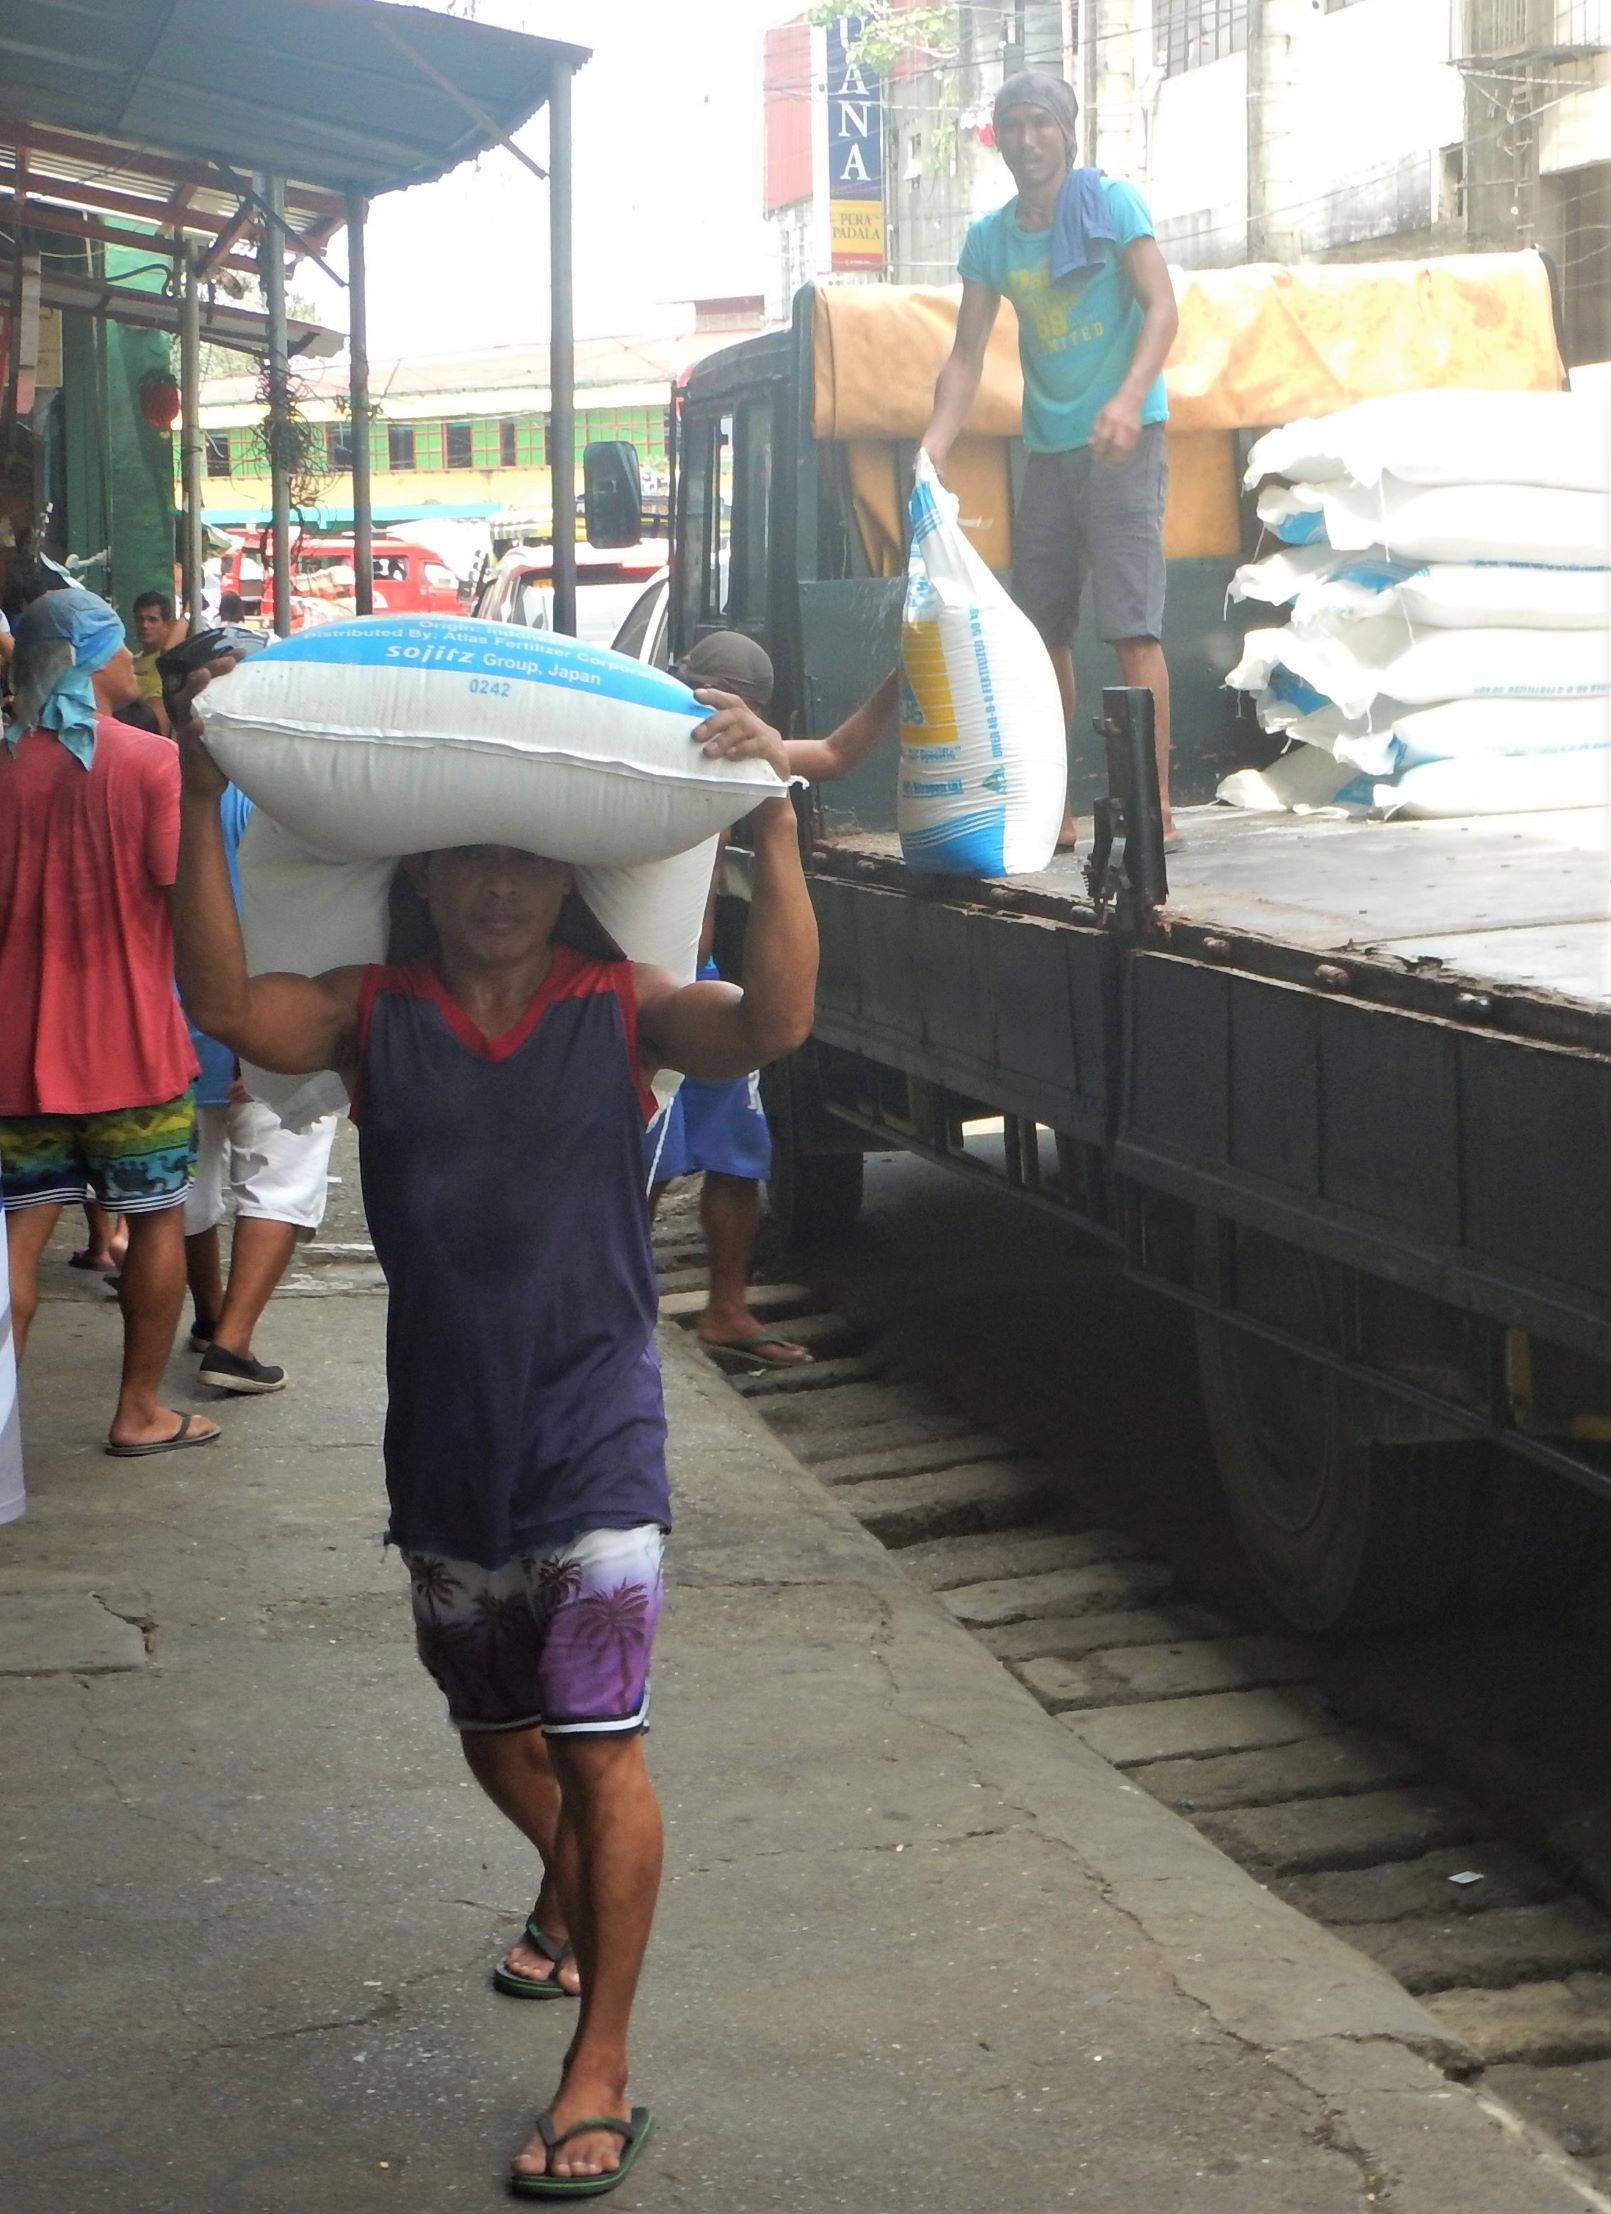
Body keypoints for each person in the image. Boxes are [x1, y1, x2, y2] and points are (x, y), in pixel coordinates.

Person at [170, 653, 816, 2194]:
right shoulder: (364, 1015)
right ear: (426, 873)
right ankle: (571, 1893)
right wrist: (202, 799)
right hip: (444, 1441)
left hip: (597, 1427)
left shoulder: (626, 1010)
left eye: (527, 857)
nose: (499, 885)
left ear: (566, 876)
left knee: (603, 1746)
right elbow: (218, 1003)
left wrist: (773, 824)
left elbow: (775, 1019)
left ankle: (599, 2064)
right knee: (488, 1724)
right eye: (470, 855)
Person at [921, 70, 1180, 844]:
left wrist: (1128, 400)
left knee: (1133, 629)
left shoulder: (1110, 203)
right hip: (1047, 451)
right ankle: (1052, 807)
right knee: (1040, 638)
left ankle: (1154, 805)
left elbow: (1161, 307)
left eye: (1041, 123)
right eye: (1012, 125)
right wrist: (931, 448)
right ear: (995, 138)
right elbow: (965, 356)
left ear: (1066, 133)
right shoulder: (990, 238)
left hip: (1124, 443)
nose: (1027, 139)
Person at [0, 588, 217, 1457]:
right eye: (122, 644)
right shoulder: (151, 762)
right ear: (93, 656)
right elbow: (182, 889)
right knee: (157, 1218)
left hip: (16, 1048)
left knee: (18, 1231)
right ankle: (138, 1411)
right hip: (133, 1045)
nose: (135, 658)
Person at [649, 637, 901, 1368]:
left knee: (736, 1157)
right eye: (701, 692)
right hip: (640, 982)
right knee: (641, 1162)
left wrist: (900, 675)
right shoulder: (653, 740)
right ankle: (620, 1305)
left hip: (701, 977)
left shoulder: (745, 756)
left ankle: (727, 1310)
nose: (710, 711)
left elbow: (834, 752)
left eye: (729, 701)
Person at [181, 784, 339, 1394]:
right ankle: (232, 1340)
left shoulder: (168, 780)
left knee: (191, 1176)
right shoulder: (278, 791)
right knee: (281, 1175)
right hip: (265, 1010)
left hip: (176, 1017)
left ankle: (209, 1313)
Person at [130, 590, 185, 732]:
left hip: (155, 730)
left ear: (168, 625)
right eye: (140, 619)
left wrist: (188, 613)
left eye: (152, 620)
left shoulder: (169, 657)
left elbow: (168, 647)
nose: (144, 625)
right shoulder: (130, 661)